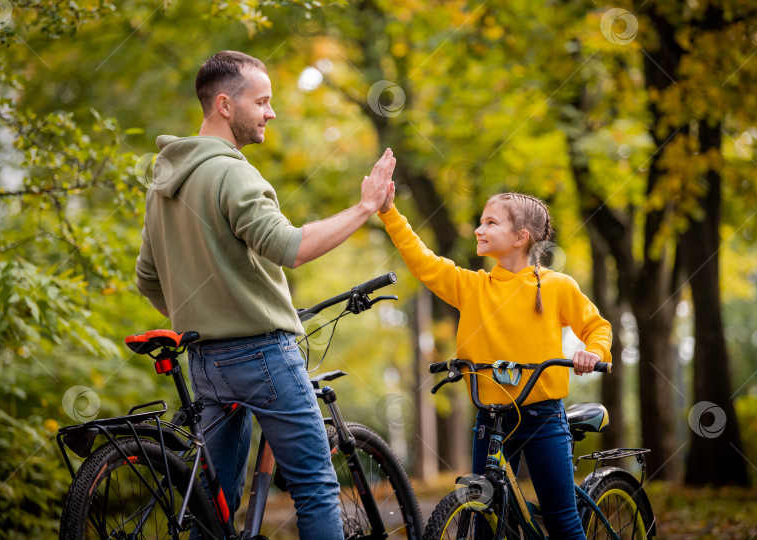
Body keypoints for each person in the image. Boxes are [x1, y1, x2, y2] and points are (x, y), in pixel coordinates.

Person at [135, 50, 395, 540]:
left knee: (217, 505)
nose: (271, 112)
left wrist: (205, 314)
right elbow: (291, 248)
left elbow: (148, 278)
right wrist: (365, 207)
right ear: (225, 104)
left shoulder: (162, 184)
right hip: (262, 355)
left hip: (205, 363)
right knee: (315, 486)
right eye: (263, 101)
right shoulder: (232, 173)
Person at [377, 188, 611, 538]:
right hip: (491, 417)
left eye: (490, 222)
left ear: (520, 237)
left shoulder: (557, 286)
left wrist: (593, 352)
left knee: (562, 521)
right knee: (487, 519)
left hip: (542, 417)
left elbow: (597, 327)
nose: (478, 228)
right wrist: (389, 212)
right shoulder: (473, 287)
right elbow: (423, 262)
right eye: (480, 221)